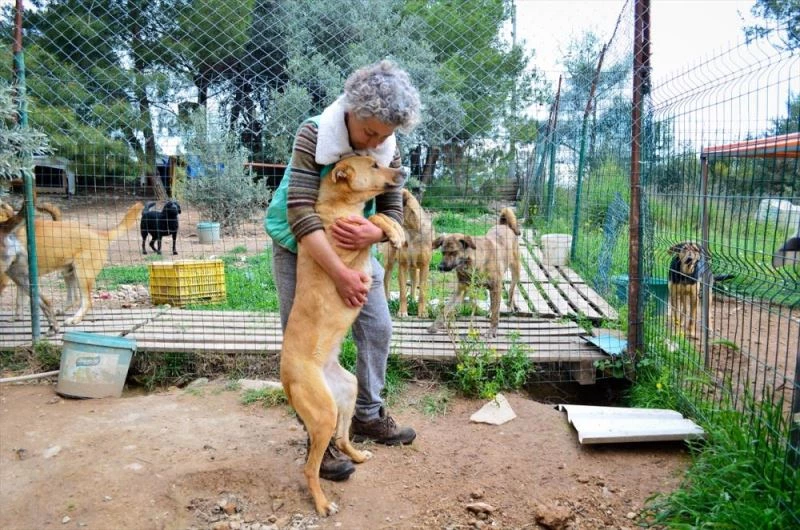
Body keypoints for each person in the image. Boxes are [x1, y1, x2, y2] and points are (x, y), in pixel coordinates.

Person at [265, 60, 421, 482]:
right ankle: (321, 438)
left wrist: (374, 233)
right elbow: (301, 212)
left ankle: (366, 414)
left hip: (353, 242)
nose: (376, 143)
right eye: (369, 133)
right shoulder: (314, 133)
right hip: (297, 240)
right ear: (351, 111)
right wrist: (338, 274)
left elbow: (392, 208)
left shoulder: (385, 143)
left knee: (378, 326)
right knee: (305, 343)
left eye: (384, 136)